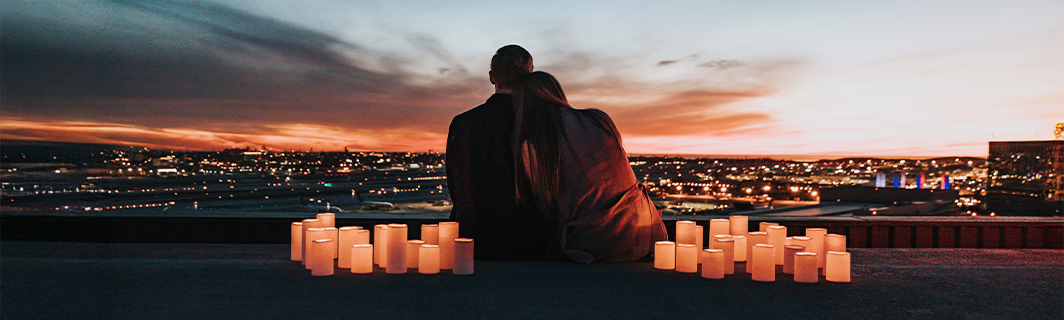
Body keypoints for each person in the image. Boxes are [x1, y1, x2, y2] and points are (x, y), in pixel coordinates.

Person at [512, 71, 667, 263]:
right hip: (646, 232)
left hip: (596, 244)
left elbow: (547, 208)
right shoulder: (599, 119)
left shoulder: (534, 146)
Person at [446, 45, 551, 260]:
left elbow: (456, 190)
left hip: (471, 241)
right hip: (527, 243)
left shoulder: (461, 124)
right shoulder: (541, 123)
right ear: (529, 77)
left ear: (492, 77)